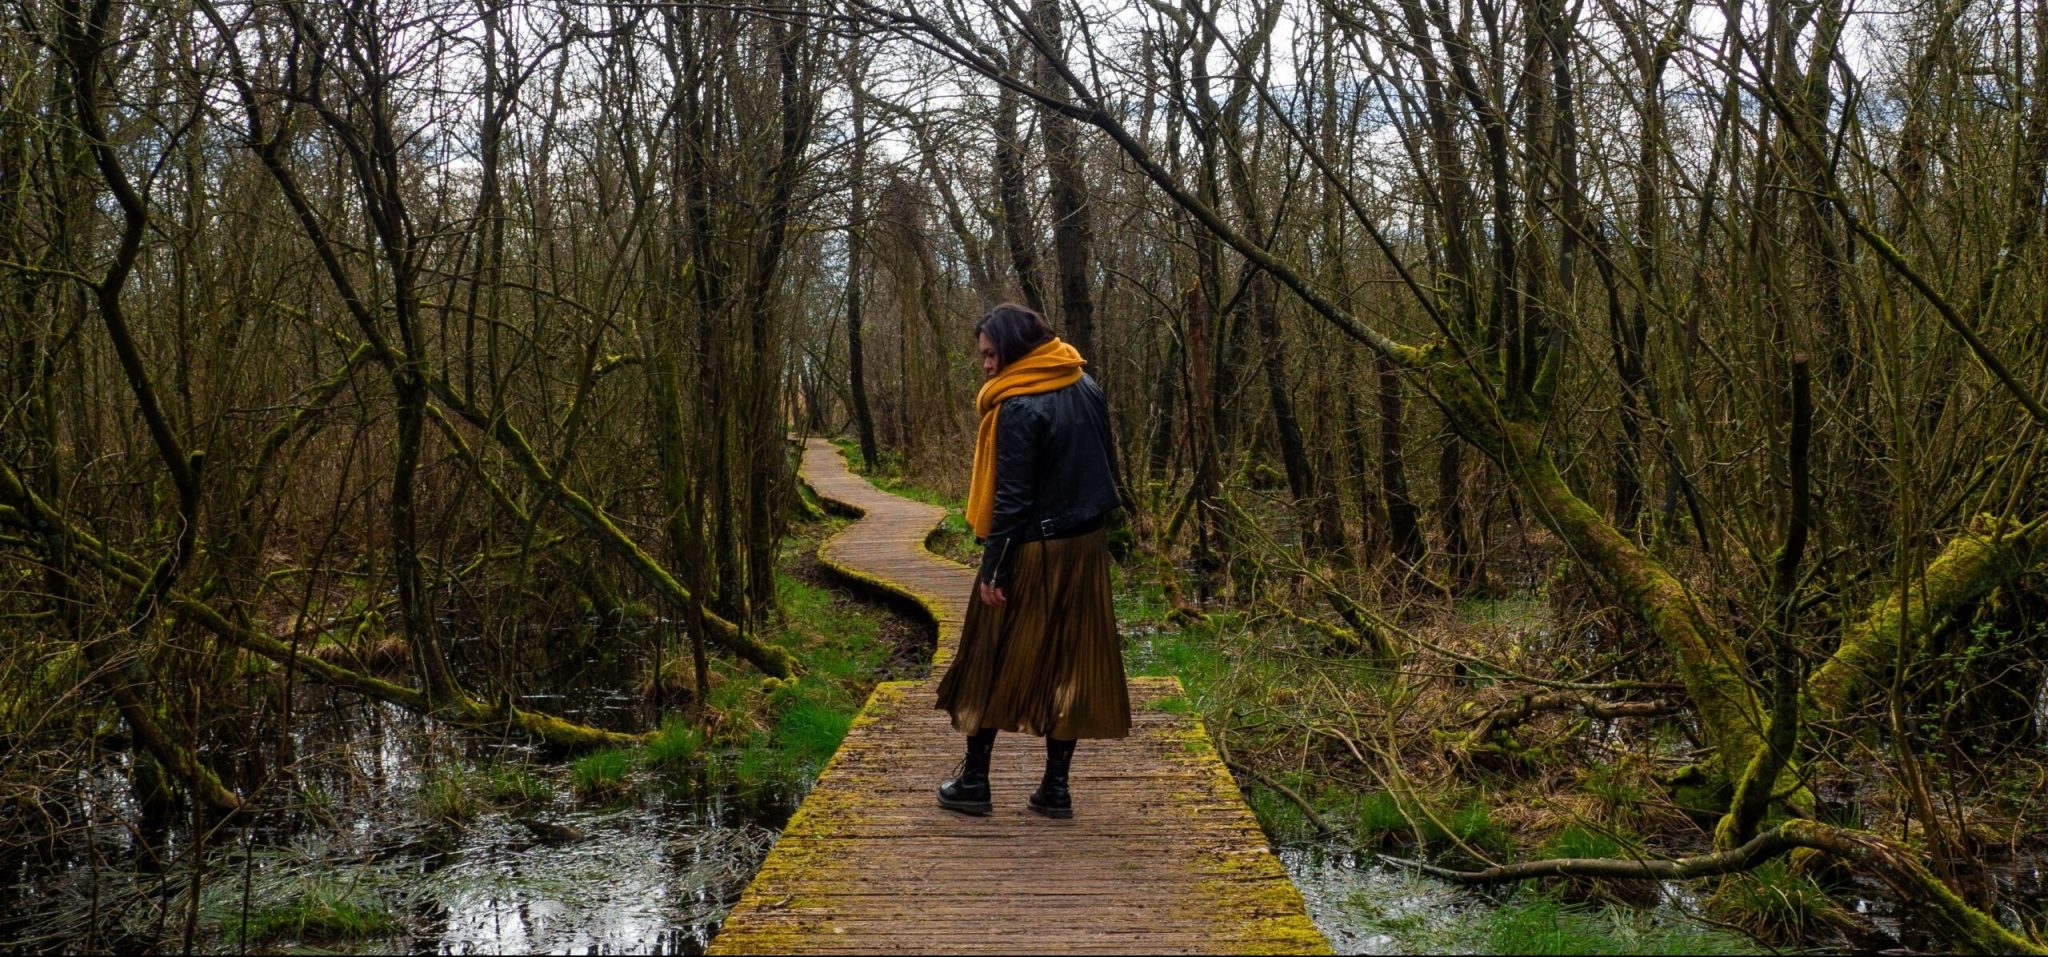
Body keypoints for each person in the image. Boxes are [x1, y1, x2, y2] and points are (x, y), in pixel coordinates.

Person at [934, 303, 1131, 819]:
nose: (985, 366)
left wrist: (994, 568)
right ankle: (1056, 790)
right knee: (1072, 662)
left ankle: (975, 782)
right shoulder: (1084, 382)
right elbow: (1105, 468)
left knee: (988, 655)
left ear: (1015, 349)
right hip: (1086, 547)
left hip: (1033, 547)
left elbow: (1013, 499)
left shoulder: (1019, 405)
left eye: (991, 354)